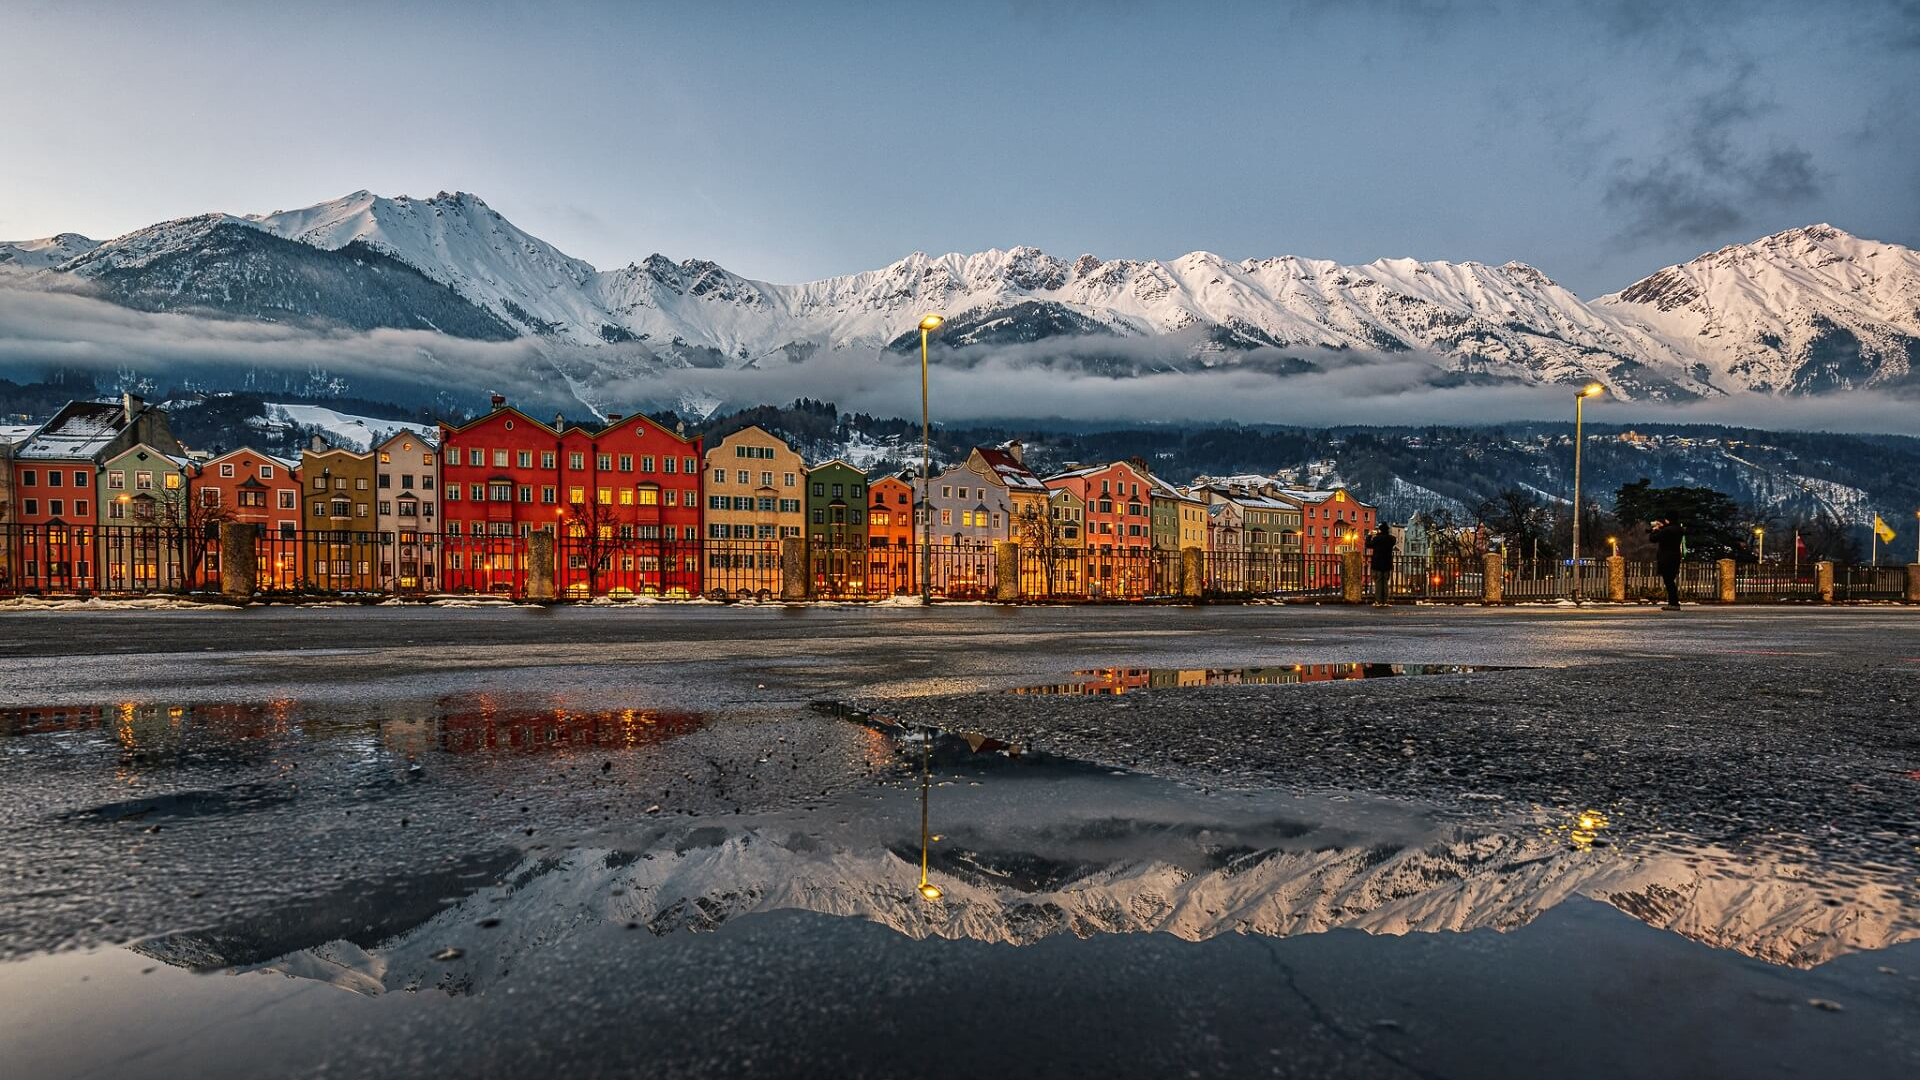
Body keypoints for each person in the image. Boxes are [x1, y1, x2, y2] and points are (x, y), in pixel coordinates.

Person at [1649, 518, 1686, 610]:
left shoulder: (1667, 530)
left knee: (1668, 581)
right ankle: (1673, 602)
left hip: (1666, 558)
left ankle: (1674, 603)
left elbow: (1653, 539)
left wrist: (1654, 531)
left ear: (1668, 520)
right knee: (1670, 580)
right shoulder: (1679, 529)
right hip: (1676, 557)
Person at [1366, 521, 1397, 606]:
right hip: (1387, 564)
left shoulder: (1376, 539)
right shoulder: (1391, 539)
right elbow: (1394, 540)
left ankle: (1379, 600)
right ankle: (1385, 600)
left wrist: (1369, 535)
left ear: (1380, 530)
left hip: (1377, 563)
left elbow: (1368, 545)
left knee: (1378, 582)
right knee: (1385, 583)